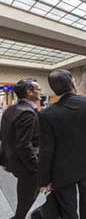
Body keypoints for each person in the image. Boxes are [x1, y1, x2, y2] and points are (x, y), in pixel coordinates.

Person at [38, 69, 86, 219]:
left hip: (62, 170)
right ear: (73, 82)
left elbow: (46, 149)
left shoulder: (46, 114)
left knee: (68, 207)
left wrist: (43, 179)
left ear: (53, 89)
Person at [0, 79, 41, 219]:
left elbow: (4, 136)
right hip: (26, 165)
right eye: (38, 89)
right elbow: (24, 146)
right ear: (29, 92)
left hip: (12, 161)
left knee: (25, 193)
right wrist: (36, 167)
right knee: (27, 197)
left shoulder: (10, 110)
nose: (40, 91)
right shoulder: (27, 113)